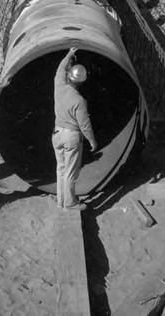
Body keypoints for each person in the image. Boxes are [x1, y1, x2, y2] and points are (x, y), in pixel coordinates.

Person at [52, 47, 97, 211]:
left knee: (61, 170)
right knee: (71, 172)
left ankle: (61, 201)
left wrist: (69, 54)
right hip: (71, 137)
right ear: (82, 81)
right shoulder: (79, 100)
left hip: (57, 133)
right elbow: (84, 124)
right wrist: (92, 141)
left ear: (69, 76)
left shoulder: (59, 86)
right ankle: (70, 203)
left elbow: (60, 69)